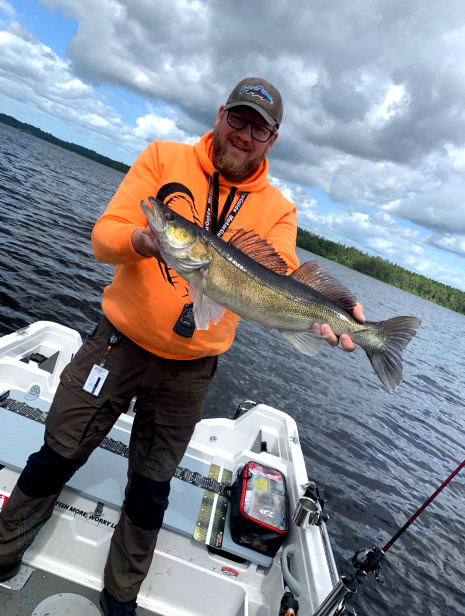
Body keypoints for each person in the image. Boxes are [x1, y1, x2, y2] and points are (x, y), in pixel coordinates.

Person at [0, 77, 364, 615]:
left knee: (151, 488)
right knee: (58, 452)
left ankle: (120, 597)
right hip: (117, 346)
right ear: (220, 114)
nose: (245, 134)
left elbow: (282, 279)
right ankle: (4, 551)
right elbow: (104, 236)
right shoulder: (163, 157)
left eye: (259, 128)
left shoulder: (279, 210)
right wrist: (142, 239)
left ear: (272, 139)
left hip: (189, 372)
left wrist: (323, 317)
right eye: (238, 118)